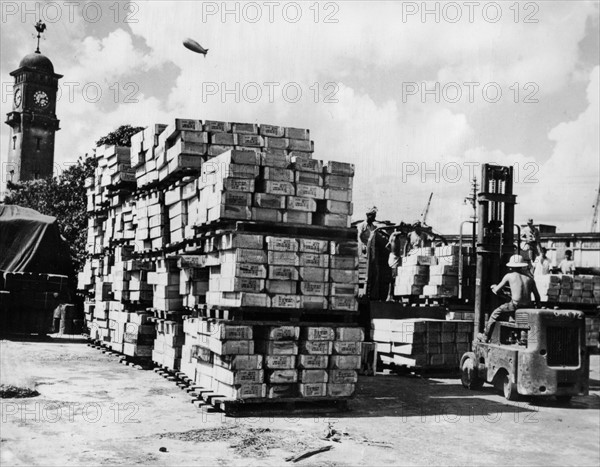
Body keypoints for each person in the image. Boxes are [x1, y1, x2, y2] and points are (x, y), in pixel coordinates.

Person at [478, 254, 541, 343]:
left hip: (515, 305)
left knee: (495, 314)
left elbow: (496, 290)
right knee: (521, 318)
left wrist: (493, 286)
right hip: (528, 307)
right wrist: (537, 307)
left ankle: (485, 336)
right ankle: (522, 338)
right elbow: (537, 297)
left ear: (511, 267)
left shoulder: (509, 276)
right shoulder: (530, 278)